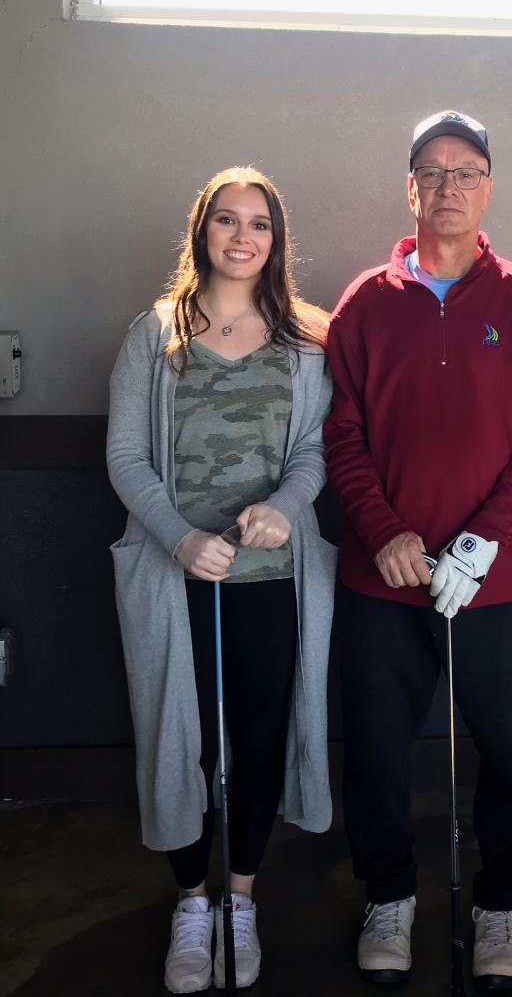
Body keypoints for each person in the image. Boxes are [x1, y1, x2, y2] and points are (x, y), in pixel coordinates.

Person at [324, 110, 512, 988]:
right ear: (410, 189)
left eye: (465, 171)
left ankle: (500, 905)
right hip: (383, 576)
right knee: (378, 745)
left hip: (498, 578)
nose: (447, 187)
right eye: (431, 172)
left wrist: (482, 538)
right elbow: (343, 433)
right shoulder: (365, 301)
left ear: (487, 188)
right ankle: (388, 894)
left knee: (511, 748)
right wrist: (383, 528)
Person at [106, 166, 336, 993]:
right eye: (227, 221)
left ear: (277, 240)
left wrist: (285, 504)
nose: (244, 237)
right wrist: (176, 539)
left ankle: (239, 897)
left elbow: (313, 450)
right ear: (202, 231)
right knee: (184, 736)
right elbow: (127, 456)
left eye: (261, 224)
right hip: (178, 581)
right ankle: (191, 905)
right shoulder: (154, 334)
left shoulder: (306, 340)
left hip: (274, 578)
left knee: (262, 734)